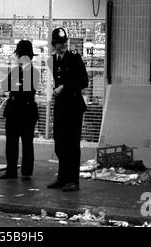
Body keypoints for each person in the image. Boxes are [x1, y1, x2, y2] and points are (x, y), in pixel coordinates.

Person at [47, 27, 89, 192]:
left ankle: (73, 180)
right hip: (61, 106)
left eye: (64, 42)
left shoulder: (74, 58)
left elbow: (84, 81)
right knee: (59, 143)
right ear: (53, 44)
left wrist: (64, 87)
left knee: (72, 144)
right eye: (59, 43)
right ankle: (62, 177)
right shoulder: (53, 60)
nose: (62, 45)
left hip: (73, 106)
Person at [0, 40, 40, 181]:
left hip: (25, 110)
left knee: (27, 143)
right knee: (12, 143)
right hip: (17, 111)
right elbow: (5, 86)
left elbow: (26, 89)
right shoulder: (16, 71)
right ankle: (11, 170)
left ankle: (26, 172)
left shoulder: (33, 72)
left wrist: (16, 84)